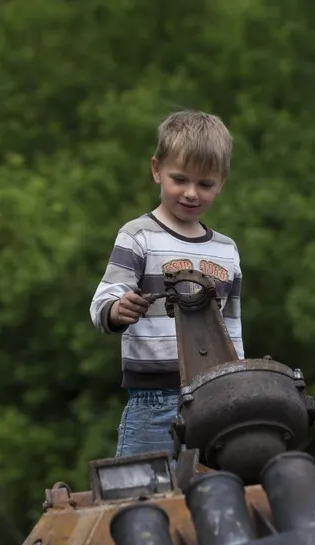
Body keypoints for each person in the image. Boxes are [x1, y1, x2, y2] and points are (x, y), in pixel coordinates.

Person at [89, 109, 245, 459]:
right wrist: (117, 309)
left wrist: (236, 382)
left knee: (211, 496)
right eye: (180, 179)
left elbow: (231, 328)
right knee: (140, 499)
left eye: (205, 184)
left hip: (214, 401)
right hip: (153, 404)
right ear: (157, 169)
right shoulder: (138, 236)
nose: (191, 193)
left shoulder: (226, 250)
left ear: (221, 182)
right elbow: (103, 301)